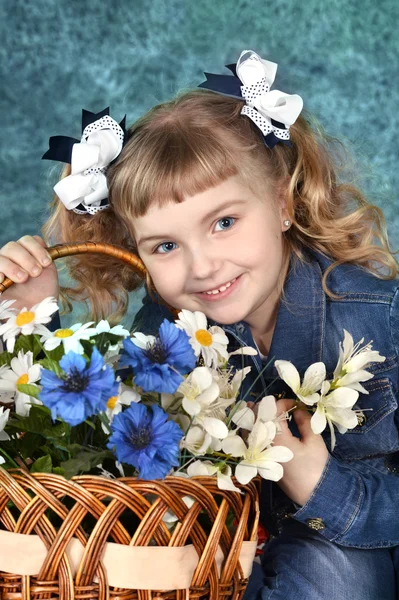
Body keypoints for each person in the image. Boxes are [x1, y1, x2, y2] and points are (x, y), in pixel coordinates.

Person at [1, 50, 398, 599]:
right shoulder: (164, 329)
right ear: (134, 251)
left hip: (346, 551)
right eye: (166, 245)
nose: (203, 266)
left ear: (282, 202)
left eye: (224, 222)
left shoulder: (377, 317)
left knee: (338, 576)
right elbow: (98, 453)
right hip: (213, 554)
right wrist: (30, 319)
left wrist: (324, 488)